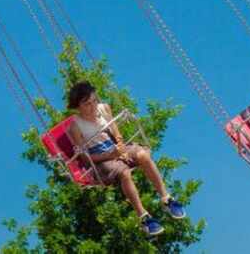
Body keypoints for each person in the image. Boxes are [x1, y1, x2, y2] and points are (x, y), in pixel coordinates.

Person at [66, 81, 187, 236]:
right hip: (101, 160)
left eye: (94, 101)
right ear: (78, 106)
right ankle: (143, 216)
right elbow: (84, 158)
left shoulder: (103, 109)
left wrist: (120, 146)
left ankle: (166, 198)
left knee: (143, 155)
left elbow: (116, 132)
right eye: (87, 104)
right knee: (124, 172)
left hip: (115, 149)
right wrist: (110, 155)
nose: (93, 106)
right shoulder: (75, 127)